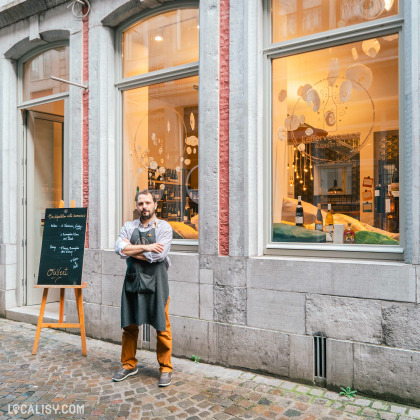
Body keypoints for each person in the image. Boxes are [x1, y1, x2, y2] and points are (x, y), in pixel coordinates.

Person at [113, 189, 173, 387]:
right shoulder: (129, 226)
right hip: (133, 280)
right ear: (137, 206)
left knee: (162, 326)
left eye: (148, 203)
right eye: (140, 203)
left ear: (155, 205)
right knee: (129, 325)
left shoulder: (164, 227)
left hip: (157, 283)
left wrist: (131, 250)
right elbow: (118, 248)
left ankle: (165, 368)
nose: (144, 207)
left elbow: (159, 255)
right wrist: (147, 247)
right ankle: (129, 364)